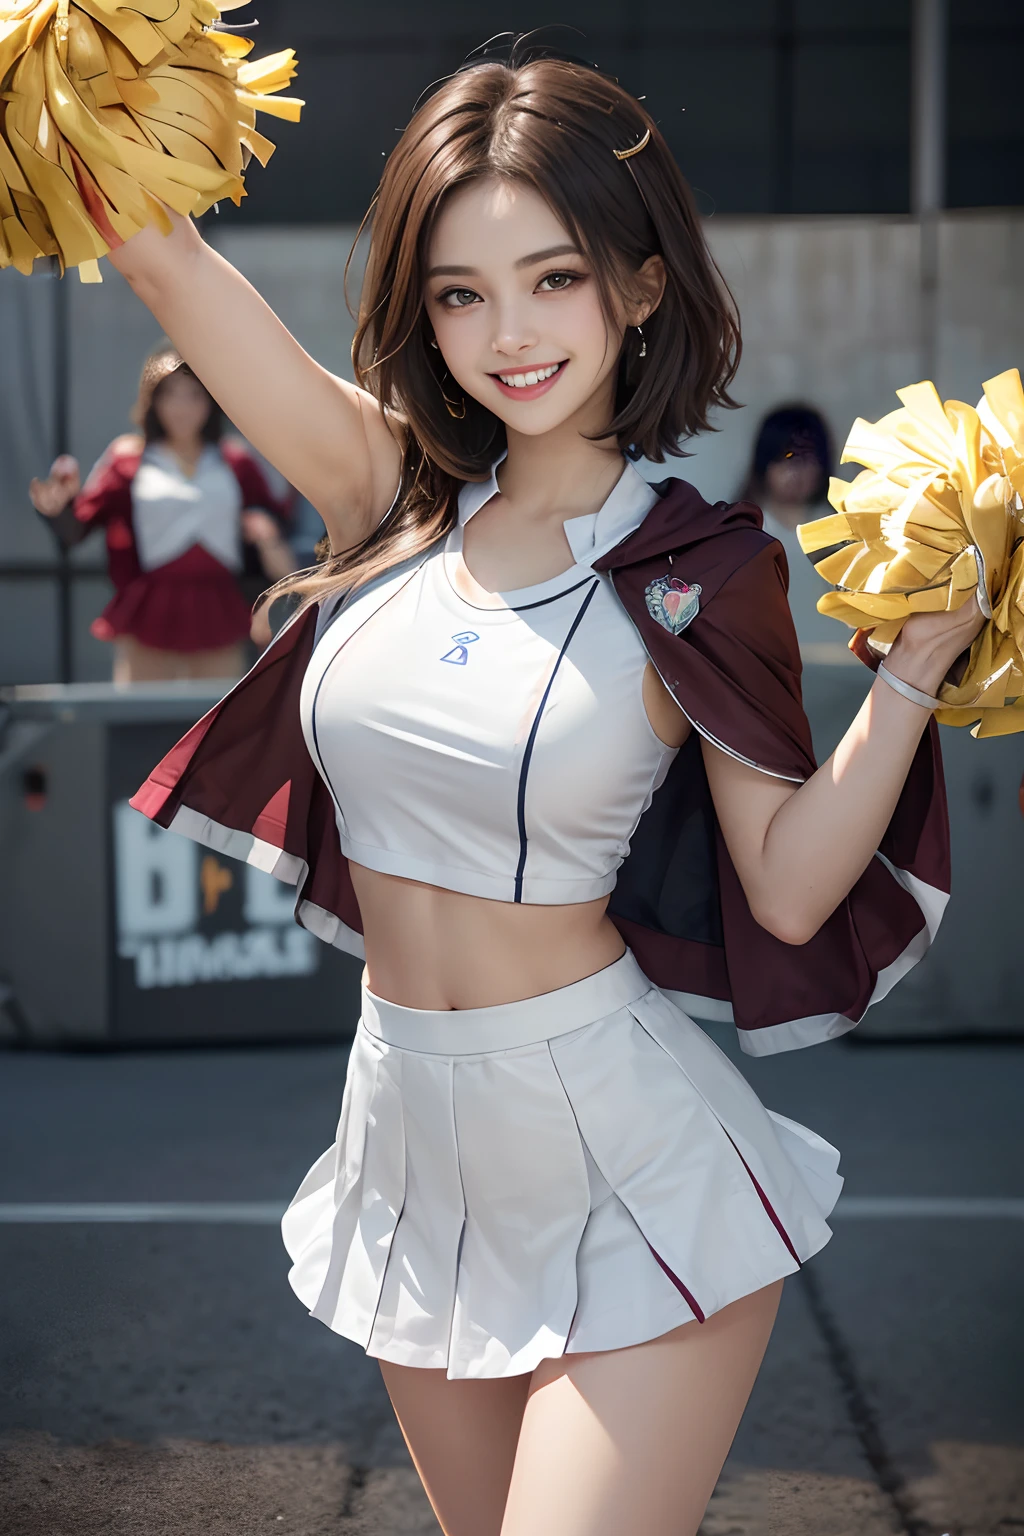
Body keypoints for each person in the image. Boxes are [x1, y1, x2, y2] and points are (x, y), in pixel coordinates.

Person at [53, 46, 982, 1536]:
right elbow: (162, 262)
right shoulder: (396, 492)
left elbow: (794, 887)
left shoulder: (699, 566)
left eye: (552, 279)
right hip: (405, 1133)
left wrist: (912, 670)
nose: (509, 335)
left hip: (616, 1141)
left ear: (641, 284)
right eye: (460, 293)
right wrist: (57, 76)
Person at [28, 345, 296, 683]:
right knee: (144, 717)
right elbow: (78, 528)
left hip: (219, 608)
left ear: (211, 401)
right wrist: (57, 509)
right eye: (170, 395)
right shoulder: (127, 459)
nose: (182, 408)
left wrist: (264, 530)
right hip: (150, 612)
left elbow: (274, 517)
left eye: (194, 396)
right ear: (152, 400)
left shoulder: (235, 461)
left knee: (215, 723)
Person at [740, 404, 838, 648]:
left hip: (833, 664)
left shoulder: (841, 532)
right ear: (764, 463)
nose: (795, 472)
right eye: (785, 458)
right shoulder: (740, 531)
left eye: (807, 459)